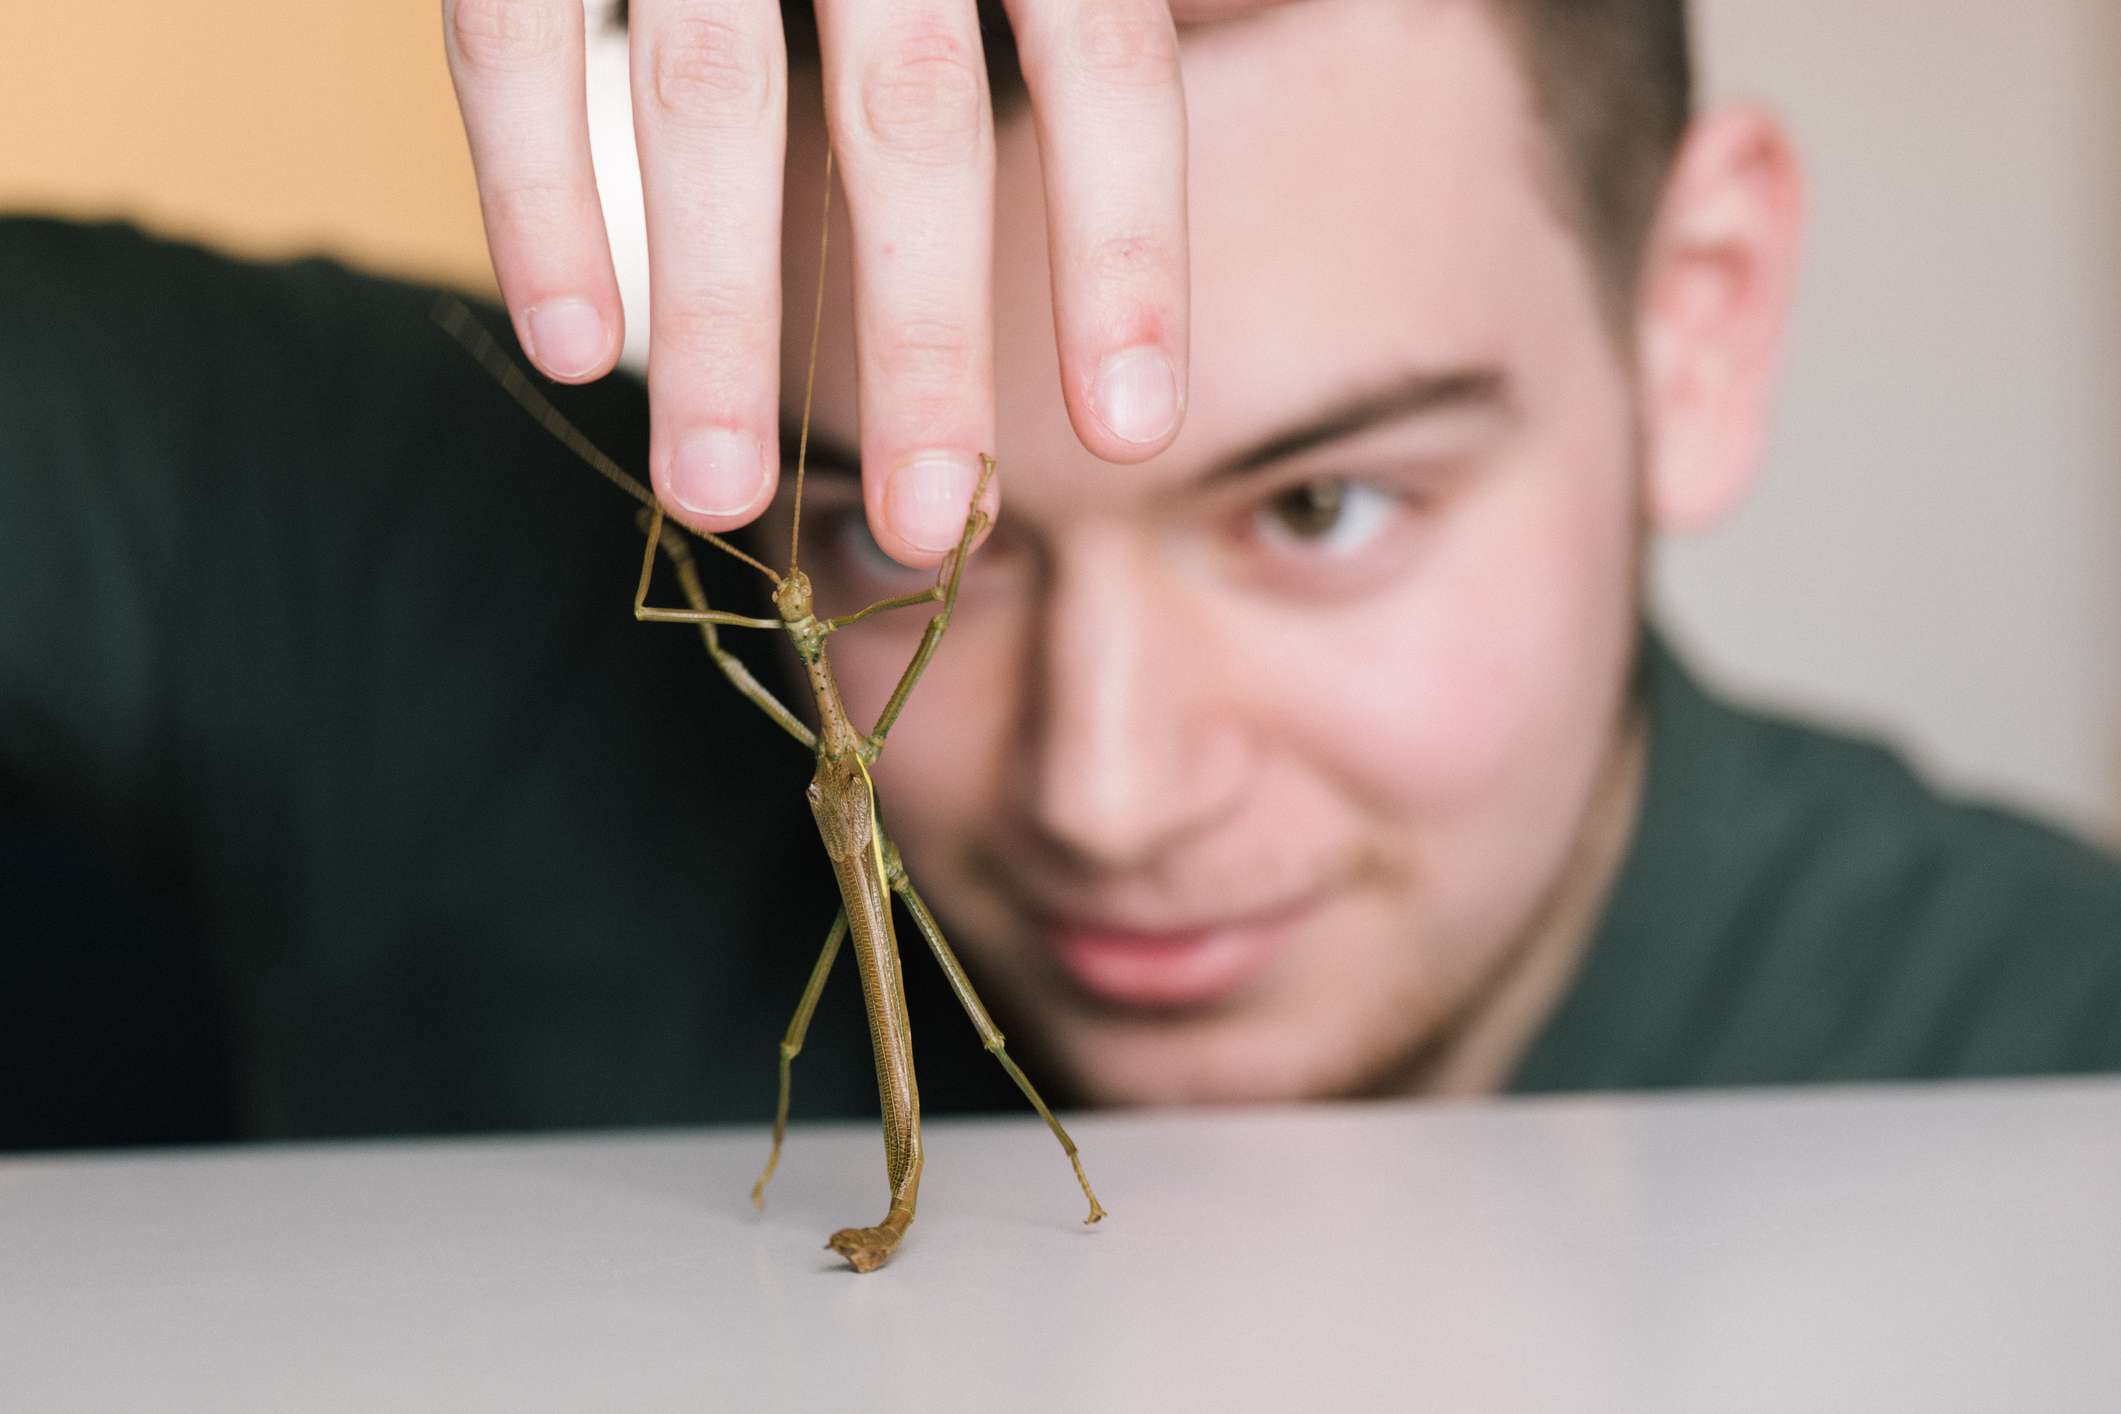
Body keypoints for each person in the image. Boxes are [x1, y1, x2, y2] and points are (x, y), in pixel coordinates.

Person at [2, 0, 2116, 1153]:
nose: (1101, 796)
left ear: (1699, 313)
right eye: (890, 528)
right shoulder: (418, 568)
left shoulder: (2047, 1054)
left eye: (1314, 507)